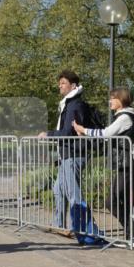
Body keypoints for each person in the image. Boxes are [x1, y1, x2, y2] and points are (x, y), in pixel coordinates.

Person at [73, 87, 134, 236]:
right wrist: (86, 134)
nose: (110, 101)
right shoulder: (122, 116)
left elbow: (105, 133)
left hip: (129, 164)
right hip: (125, 164)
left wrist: (83, 129)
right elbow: (106, 137)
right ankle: (132, 233)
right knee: (116, 200)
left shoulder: (125, 117)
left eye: (113, 98)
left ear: (121, 100)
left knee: (114, 200)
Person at [38, 70, 94, 236]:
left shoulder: (75, 105)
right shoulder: (68, 104)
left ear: (73, 86)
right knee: (58, 189)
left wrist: (48, 134)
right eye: (60, 83)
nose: (60, 86)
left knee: (73, 193)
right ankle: (59, 225)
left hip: (74, 154)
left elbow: (68, 132)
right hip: (67, 155)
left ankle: (83, 229)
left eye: (63, 83)